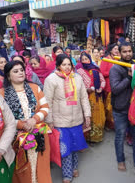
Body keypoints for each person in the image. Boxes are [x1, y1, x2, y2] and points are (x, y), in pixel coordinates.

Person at [0, 60, 52, 183]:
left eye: (22, 70)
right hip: (16, 138)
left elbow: (45, 108)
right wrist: (22, 125)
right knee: (21, 169)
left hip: (38, 134)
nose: (20, 73)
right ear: (8, 75)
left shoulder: (35, 88)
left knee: (40, 167)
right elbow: (3, 117)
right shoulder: (2, 93)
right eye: (15, 71)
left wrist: (34, 120)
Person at [44, 54, 91, 183]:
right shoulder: (51, 79)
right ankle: (67, 174)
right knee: (65, 148)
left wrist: (87, 114)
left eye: (69, 64)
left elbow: (83, 98)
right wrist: (49, 120)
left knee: (76, 146)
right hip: (60, 121)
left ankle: (74, 167)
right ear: (58, 65)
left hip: (76, 119)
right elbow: (48, 101)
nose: (67, 67)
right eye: (64, 64)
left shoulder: (77, 78)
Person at [110, 42, 135, 171]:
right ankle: (120, 160)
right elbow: (115, 89)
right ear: (120, 53)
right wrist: (128, 77)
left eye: (129, 51)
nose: (128, 54)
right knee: (120, 136)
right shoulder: (115, 68)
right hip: (120, 108)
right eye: (124, 51)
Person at [77, 52, 106, 143]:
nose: (85, 61)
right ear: (80, 61)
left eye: (86, 59)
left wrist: (101, 88)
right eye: (83, 60)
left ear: (90, 59)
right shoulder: (79, 71)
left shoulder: (95, 69)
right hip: (85, 97)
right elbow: (78, 85)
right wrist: (86, 89)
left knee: (97, 117)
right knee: (87, 117)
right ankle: (88, 137)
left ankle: (96, 136)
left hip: (96, 97)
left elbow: (102, 81)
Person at [100, 43, 119, 129]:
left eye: (117, 49)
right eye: (115, 49)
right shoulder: (106, 60)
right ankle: (109, 124)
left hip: (118, 86)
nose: (117, 50)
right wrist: (113, 71)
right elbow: (102, 72)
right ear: (111, 50)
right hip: (109, 87)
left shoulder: (118, 59)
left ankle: (115, 123)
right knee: (108, 107)